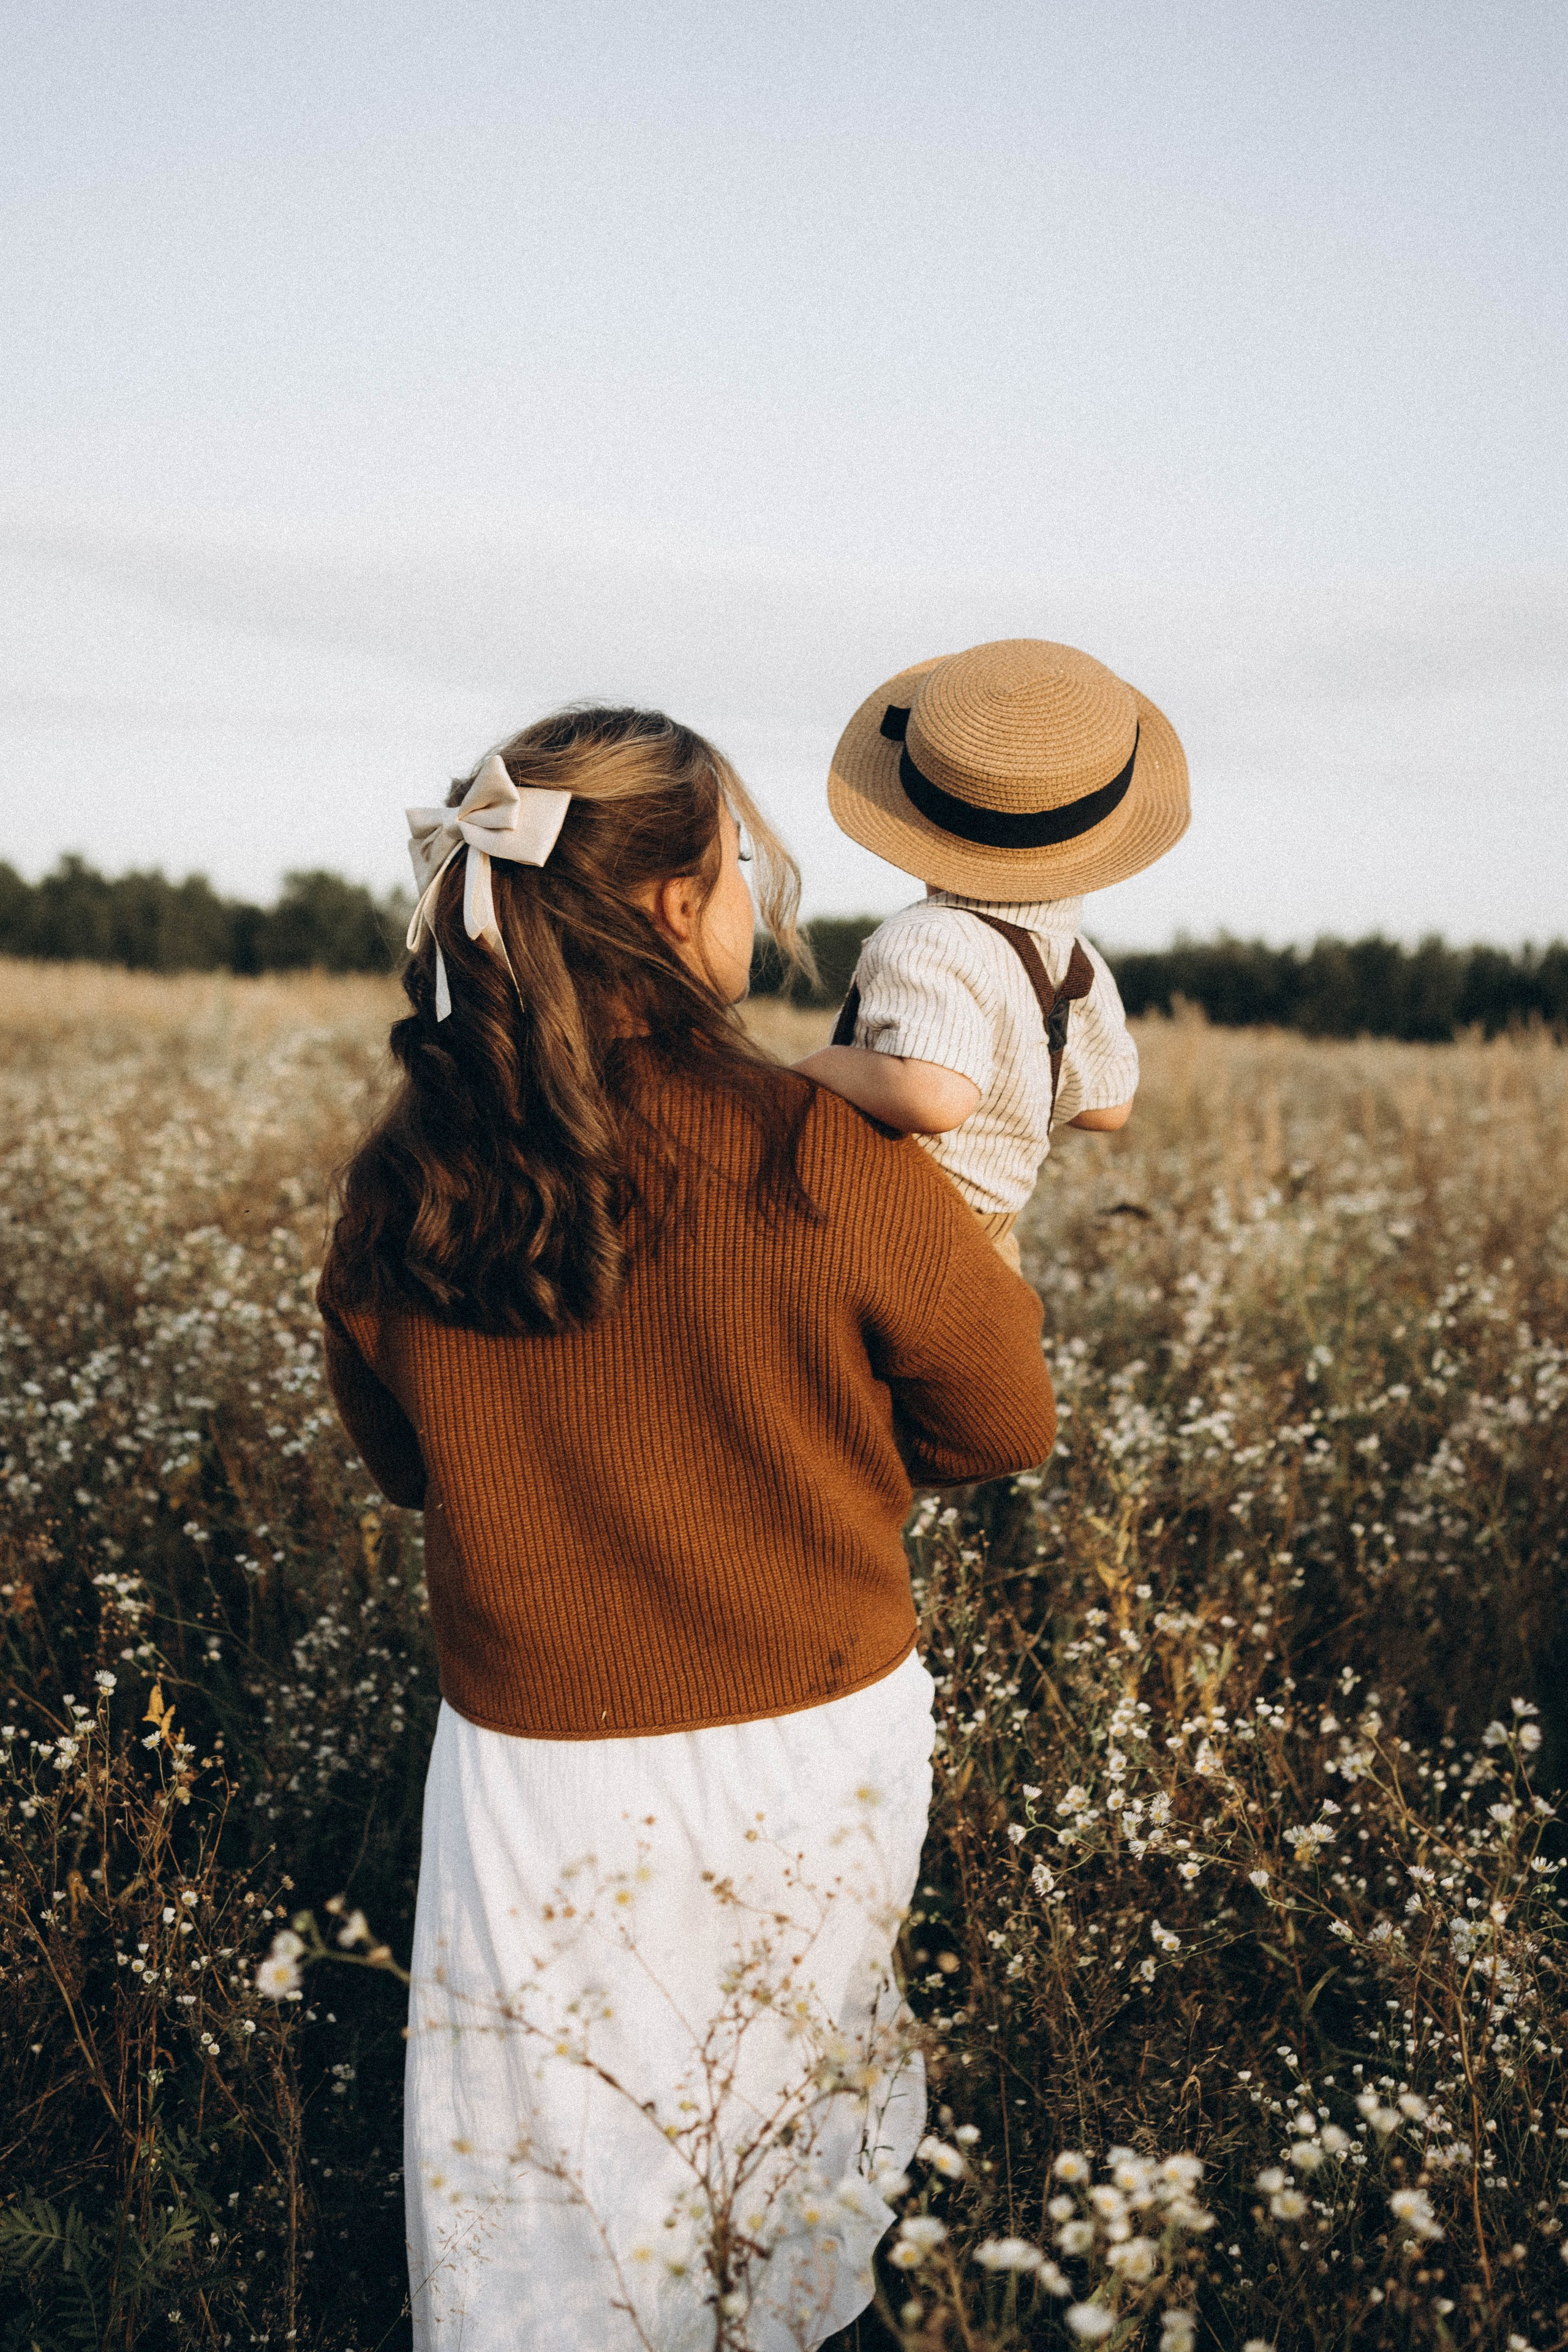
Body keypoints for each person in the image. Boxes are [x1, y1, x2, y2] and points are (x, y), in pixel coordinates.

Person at [317, 704, 1057, 2351]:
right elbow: (1007, 1422)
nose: (748, 898)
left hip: (535, 1774)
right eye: (736, 863)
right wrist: (806, 1452)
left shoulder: (411, 1175)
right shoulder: (820, 1146)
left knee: (550, 2184)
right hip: (809, 1738)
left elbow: (401, 1454)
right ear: (672, 908)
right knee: (785, 2158)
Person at [796, 638, 1189, 1266]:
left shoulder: (926, 938)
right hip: (994, 1237)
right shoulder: (1077, 957)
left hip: (889, 1232)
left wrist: (817, 1067)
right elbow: (1107, 1109)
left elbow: (934, 1097)